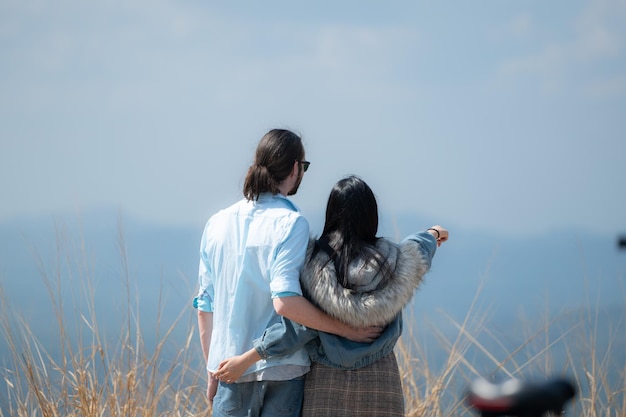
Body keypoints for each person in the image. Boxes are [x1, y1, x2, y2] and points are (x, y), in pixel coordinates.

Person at [213, 175, 449, 417]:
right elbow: (418, 247)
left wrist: (249, 357)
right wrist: (434, 233)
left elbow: (297, 328)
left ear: (332, 213)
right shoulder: (397, 262)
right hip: (381, 378)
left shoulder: (314, 265)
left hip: (325, 381)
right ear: (371, 214)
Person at [193, 130, 381, 417]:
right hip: (282, 369)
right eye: (303, 167)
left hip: (228, 366)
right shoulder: (291, 223)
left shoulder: (216, 223)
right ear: (295, 168)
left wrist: (212, 368)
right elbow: (285, 301)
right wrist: (345, 328)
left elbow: (205, 307)